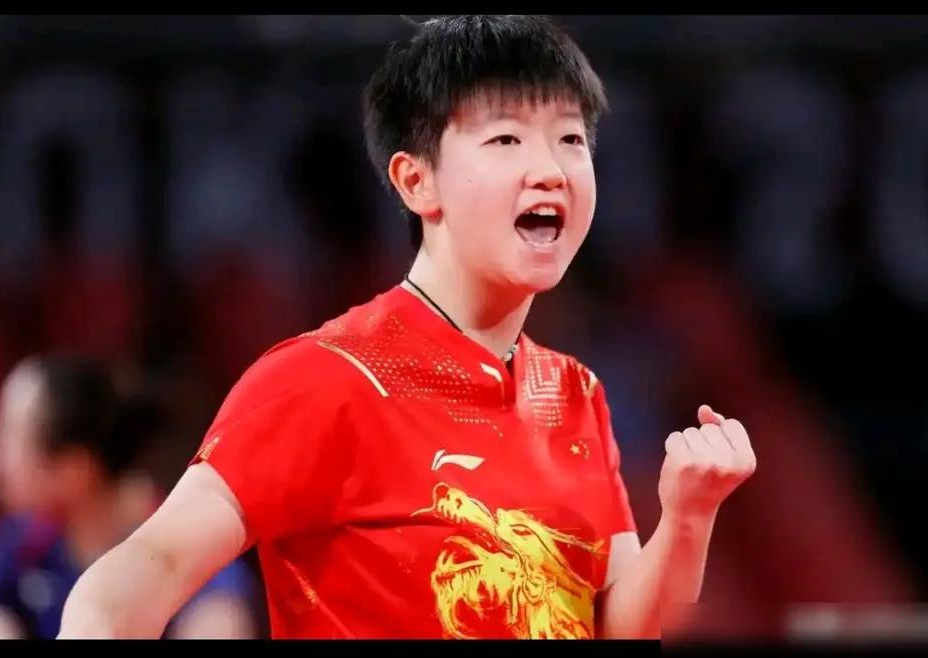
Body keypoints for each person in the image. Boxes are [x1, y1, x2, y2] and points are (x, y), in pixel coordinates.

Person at [57, 15, 756, 639]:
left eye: (570, 139)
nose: (549, 169)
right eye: (506, 138)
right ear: (416, 181)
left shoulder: (575, 394)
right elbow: (139, 576)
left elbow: (618, 625)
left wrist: (688, 516)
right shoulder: (322, 379)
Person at [0, 356, 258, 639]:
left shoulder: (195, 549)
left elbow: (222, 621)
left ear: (75, 468)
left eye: (11, 436)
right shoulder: (24, 542)